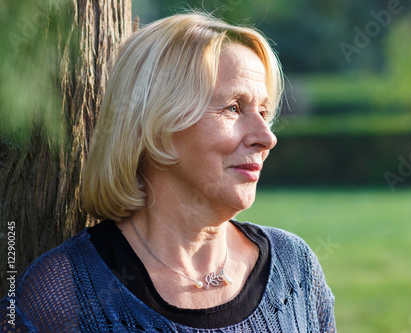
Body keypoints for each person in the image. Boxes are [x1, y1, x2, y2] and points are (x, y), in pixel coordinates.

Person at [1, 12, 335, 332]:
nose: (267, 137)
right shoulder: (61, 294)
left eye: (264, 111)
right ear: (157, 125)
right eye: (234, 108)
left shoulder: (295, 270)